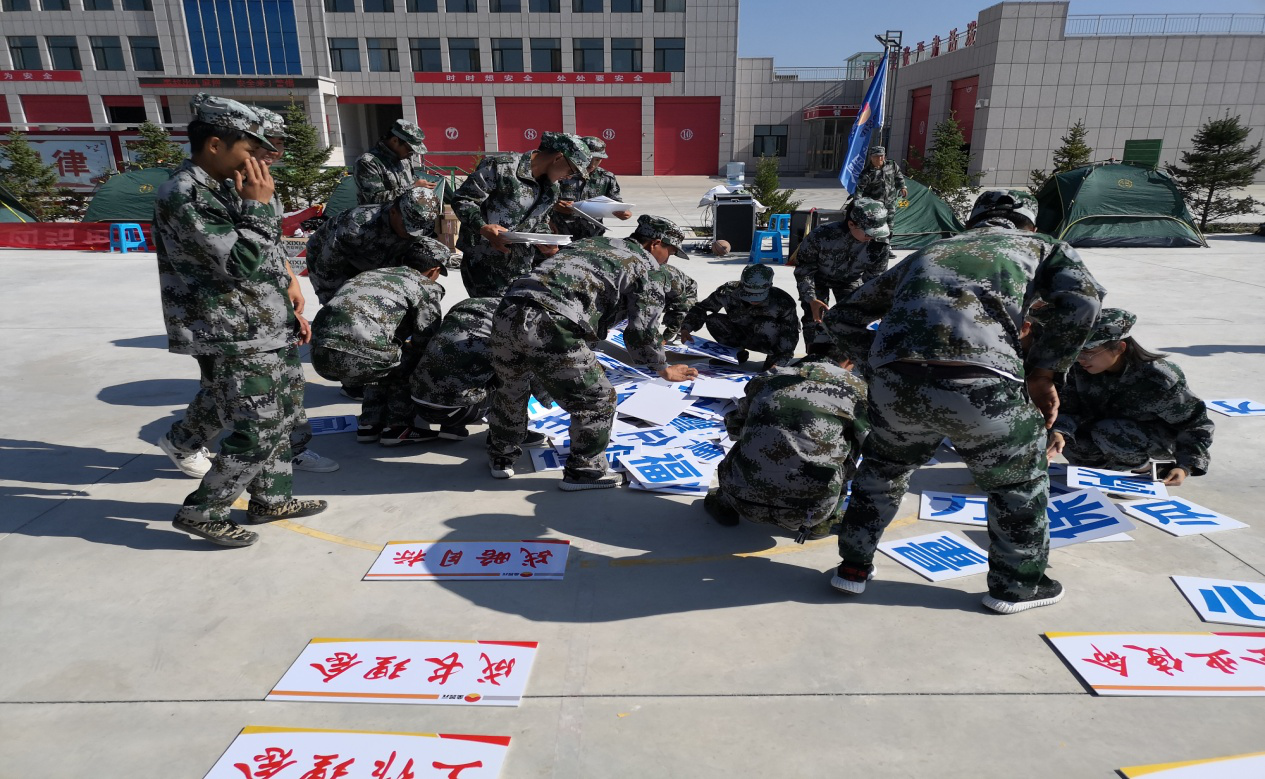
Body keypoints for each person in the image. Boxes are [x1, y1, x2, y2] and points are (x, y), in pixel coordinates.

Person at [824, 189, 1103, 614]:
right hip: (981, 384)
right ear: (1029, 224)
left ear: (971, 223)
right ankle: (1016, 586)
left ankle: (853, 567)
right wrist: (1044, 372)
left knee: (883, 471)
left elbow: (842, 316)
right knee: (1016, 484)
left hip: (896, 385)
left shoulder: (929, 252)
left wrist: (882, 363)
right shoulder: (1042, 247)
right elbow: (1083, 300)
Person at [153, 94, 327, 548]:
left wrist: (287, 298)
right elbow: (237, 262)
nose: (259, 160)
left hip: (264, 325)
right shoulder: (185, 194)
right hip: (230, 332)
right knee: (257, 426)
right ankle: (203, 509)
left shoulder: (228, 185)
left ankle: (271, 499)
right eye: (250, 149)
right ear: (215, 144)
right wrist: (259, 208)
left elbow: (265, 256)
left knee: (283, 416)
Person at [486, 215, 699, 489]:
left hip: (508, 310)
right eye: (669, 251)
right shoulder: (646, 266)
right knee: (598, 399)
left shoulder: (593, 243)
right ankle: (585, 472)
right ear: (655, 244)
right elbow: (642, 329)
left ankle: (501, 456)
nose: (668, 260)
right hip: (552, 323)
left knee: (511, 387)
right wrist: (662, 368)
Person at [251, 107, 339, 473]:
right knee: (250, 391)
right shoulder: (222, 190)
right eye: (268, 143)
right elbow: (239, 257)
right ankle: (189, 441)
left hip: (274, 304)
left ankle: (292, 449)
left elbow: (270, 242)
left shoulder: (263, 186)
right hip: (242, 313)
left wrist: (290, 280)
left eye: (281, 144)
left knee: (289, 381)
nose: (276, 151)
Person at [706, 347, 868, 540]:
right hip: (811, 512)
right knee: (850, 441)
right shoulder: (857, 388)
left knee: (747, 433)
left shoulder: (767, 378)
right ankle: (823, 522)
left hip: (742, 501)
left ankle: (724, 504)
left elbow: (734, 427)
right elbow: (872, 445)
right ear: (849, 361)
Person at [1047, 308, 1214, 486]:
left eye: (1088, 352)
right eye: (1077, 351)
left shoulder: (1159, 379)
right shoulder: (1079, 369)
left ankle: (1142, 471)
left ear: (1119, 348)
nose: (1080, 359)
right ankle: (1101, 473)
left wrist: (1186, 466)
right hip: (1107, 431)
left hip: (1149, 438)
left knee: (1109, 430)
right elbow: (1070, 408)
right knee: (1064, 433)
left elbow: (1195, 424)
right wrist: (1059, 432)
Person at [311, 243, 451, 446]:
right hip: (361, 358)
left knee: (380, 354)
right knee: (410, 357)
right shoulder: (424, 285)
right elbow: (426, 339)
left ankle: (369, 424)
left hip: (320, 355)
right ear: (434, 270)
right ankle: (398, 427)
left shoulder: (369, 275)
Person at [451, 131, 591, 297]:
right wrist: (482, 228)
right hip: (484, 262)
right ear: (558, 158)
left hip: (521, 265)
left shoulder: (552, 188)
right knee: (491, 311)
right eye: (572, 170)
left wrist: (547, 242)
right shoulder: (502, 167)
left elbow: (540, 221)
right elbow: (463, 199)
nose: (568, 177)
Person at [408, 298, 555, 446]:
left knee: (461, 362)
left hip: (418, 401)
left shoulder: (467, 304)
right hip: (459, 411)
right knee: (517, 371)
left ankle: (452, 428)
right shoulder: (523, 323)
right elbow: (535, 379)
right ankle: (507, 435)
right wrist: (553, 402)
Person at [305, 187, 439, 304]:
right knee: (346, 309)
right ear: (393, 212)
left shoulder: (421, 224)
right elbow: (327, 269)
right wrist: (335, 303)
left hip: (374, 259)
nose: (412, 233)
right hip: (330, 257)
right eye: (408, 226)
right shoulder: (356, 226)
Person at [794, 198, 891, 343]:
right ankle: (814, 352)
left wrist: (877, 306)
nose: (873, 237)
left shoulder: (880, 244)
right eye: (868, 233)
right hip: (817, 278)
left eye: (878, 232)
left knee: (856, 318)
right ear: (851, 224)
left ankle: (847, 353)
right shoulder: (822, 235)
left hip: (849, 280)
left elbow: (875, 279)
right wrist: (811, 299)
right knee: (814, 319)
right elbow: (804, 270)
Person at [680, 264, 800, 370]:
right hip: (741, 333)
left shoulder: (782, 302)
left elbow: (790, 335)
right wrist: (686, 328)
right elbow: (702, 308)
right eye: (749, 294)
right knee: (714, 320)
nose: (753, 300)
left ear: (769, 286)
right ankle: (734, 354)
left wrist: (780, 362)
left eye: (758, 295)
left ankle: (773, 359)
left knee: (767, 326)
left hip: (768, 342)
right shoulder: (727, 291)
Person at [551, 136, 632, 240]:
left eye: (598, 159)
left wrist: (624, 212)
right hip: (562, 235)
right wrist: (554, 206)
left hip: (592, 237)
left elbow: (615, 202)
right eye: (589, 158)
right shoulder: (562, 174)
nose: (592, 164)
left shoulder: (606, 177)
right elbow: (540, 201)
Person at [354, 119, 434, 206]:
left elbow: (412, 181)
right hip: (379, 213)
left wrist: (423, 187)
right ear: (394, 140)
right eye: (409, 149)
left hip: (404, 211)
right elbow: (374, 199)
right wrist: (413, 187)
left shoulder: (404, 159)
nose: (411, 154)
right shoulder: (368, 162)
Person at [854, 146, 906, 234]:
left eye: (882, 156)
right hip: (875, 205)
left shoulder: (891, 165)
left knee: (890, 225)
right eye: (877, 156)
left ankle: (887, 241)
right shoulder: (866, 173)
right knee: (876, 226)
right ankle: (876, 241)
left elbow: (898, 175)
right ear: (871, 157)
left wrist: (902, 187)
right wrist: (858, 203)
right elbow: (859, 189)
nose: (880, 158)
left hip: (890, 202)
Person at [650, 261, 698, 343]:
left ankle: (681, 334)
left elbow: (681, 311)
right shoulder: (641, 274)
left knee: (675, 317)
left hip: (686, 292)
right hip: (664, 292)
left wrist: (664, 339)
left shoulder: (674, 283)